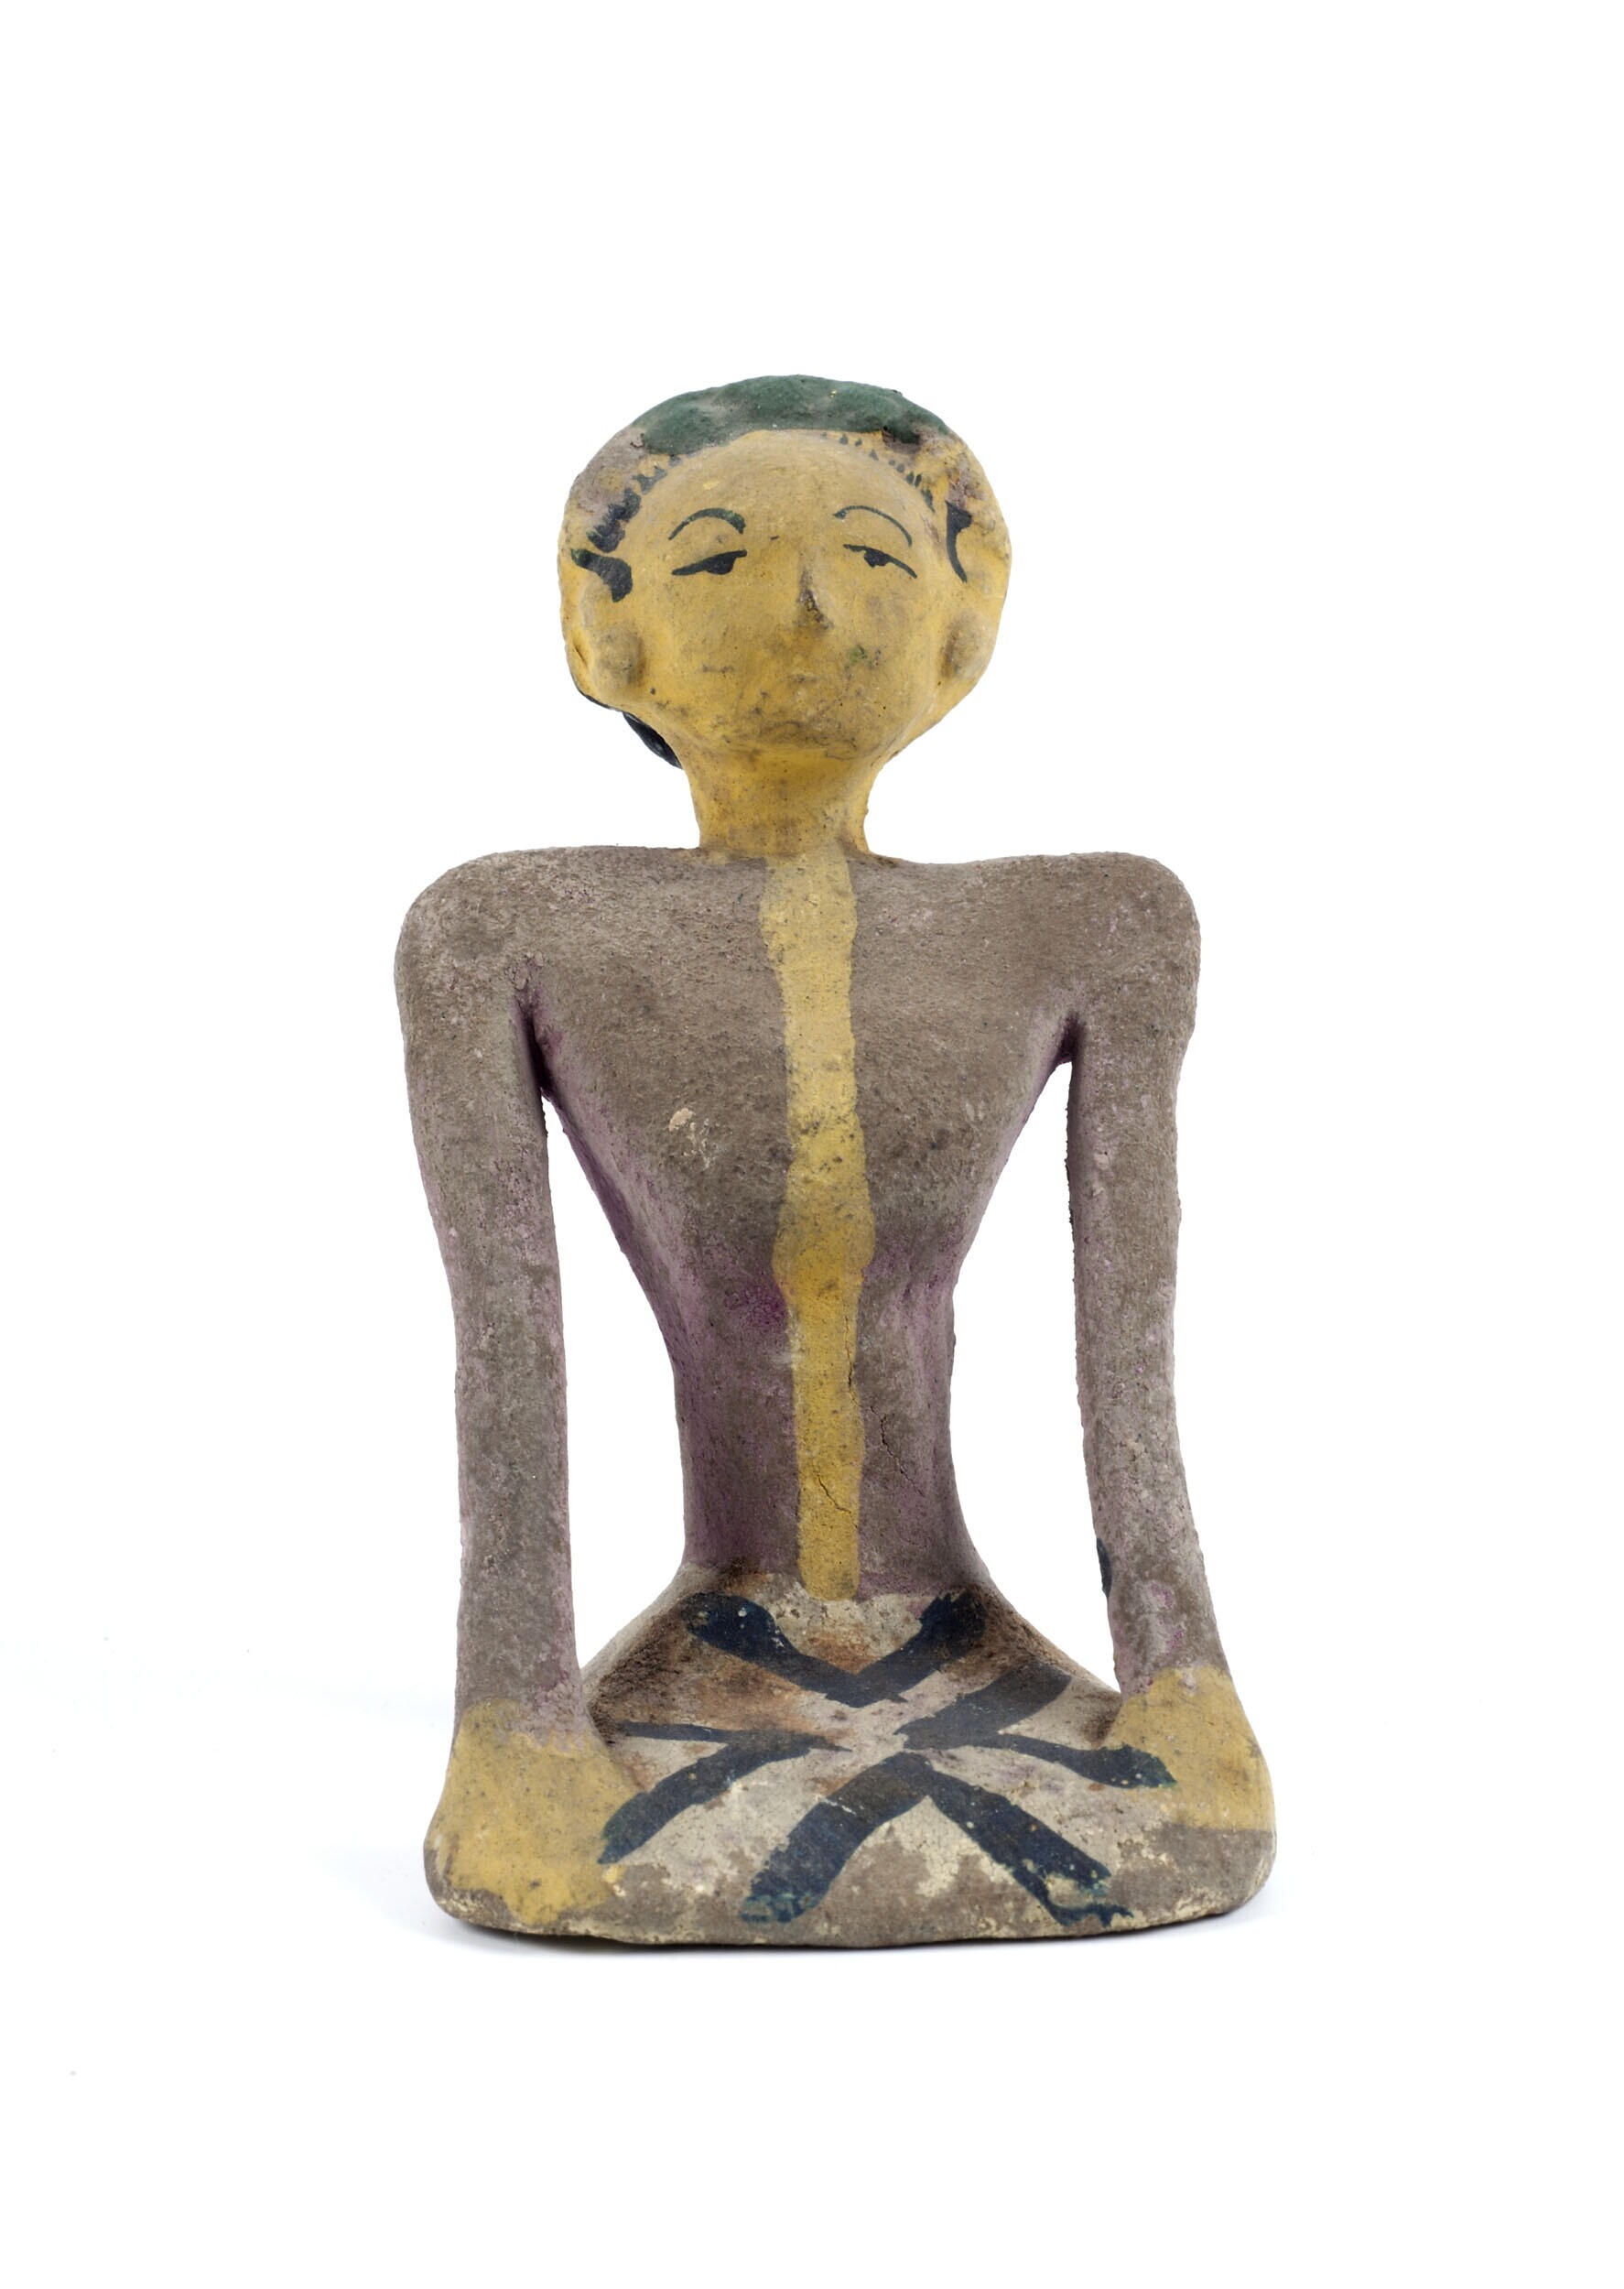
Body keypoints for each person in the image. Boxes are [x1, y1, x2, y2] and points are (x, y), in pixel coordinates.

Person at [396, 374, 1273, 1945]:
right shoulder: (503, 930)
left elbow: (1128, 1363)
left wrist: (1184, 1680)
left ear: (961, 626)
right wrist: (512, 1723)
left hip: (971, 1656)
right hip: (700, 1663)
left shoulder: (1094, 923)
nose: (805, 607)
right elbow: (509, 1358)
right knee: (551, 1847)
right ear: (604, 634)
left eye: (870, 554)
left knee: (1186, 1819)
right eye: (718, 561)